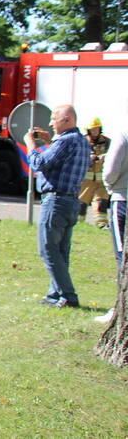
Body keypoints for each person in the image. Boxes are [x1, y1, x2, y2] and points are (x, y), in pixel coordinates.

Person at [24, 104, 90, 309]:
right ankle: (55, 295)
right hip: (71, 201)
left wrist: (30, 144)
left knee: (48, 250)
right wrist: (49, 141)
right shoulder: (81, 141)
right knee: (61, 251)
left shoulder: (65, 141)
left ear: (67, 120)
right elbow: (62, 161)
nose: (50, 123)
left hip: (56, 201)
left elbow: (39, 163)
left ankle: (68, 296)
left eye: (54, 118)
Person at [101, 106, 128, 324]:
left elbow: (110, 170)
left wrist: (111, 188)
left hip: (123, 199)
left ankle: (122, 310)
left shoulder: (123, 132)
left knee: (123, 256)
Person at [78, 117, 111, 228]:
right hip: (86, 180)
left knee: (102, 202)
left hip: (101, 179)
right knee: (81, 201)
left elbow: (113, 154)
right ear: (88, 130)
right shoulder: (82, 141)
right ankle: (78, 223)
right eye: (93, 129)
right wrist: (88, 157)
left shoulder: (107, 142)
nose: (95, 131)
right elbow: (76, 157)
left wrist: (105, 156)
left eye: (97, 129)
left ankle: (102, 224)